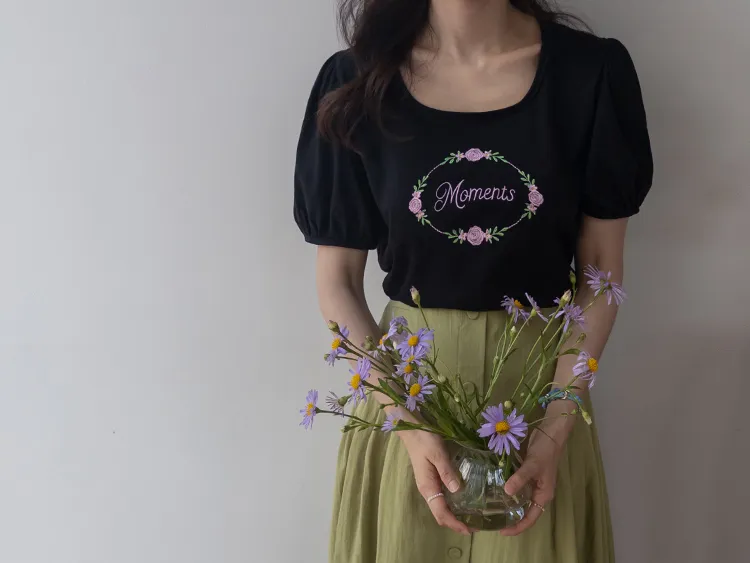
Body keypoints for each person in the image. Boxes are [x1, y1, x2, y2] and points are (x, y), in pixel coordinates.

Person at [293, 1, 653, 561]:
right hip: (406, 399)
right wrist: (407, 422)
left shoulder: (590, 74)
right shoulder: (358, 80)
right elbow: (337, 283)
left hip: (541, 403)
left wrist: (556, 421)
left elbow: (601, 273)